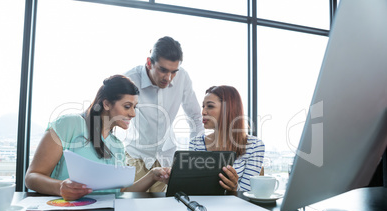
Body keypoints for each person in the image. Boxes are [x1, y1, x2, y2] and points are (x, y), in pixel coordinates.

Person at [25, 75, 170, 201]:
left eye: (134, 107)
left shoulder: (117, 145)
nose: (133, 114)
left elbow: (121, 193)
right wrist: (60, 187)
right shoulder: (70, 124)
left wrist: (152, 176)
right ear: (106, 104)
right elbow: (32, 177)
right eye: (127, 106)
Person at [124, 36, 204, 192]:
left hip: (166, 160)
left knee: (161, 210)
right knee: (132, 208)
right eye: (163, 70)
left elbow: (195, 118)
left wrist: (196, 158)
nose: (168, 77)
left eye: (173, 71)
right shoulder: (130, 79)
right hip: (136, 158)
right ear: (149, 62)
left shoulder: (183, 78)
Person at [189, 86, 265, 191]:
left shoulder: (255, 145)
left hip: (236, 207)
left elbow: (247, 194)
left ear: (228, 109)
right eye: (203, 107)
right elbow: (193, 187)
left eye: (210, 106)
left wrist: (234, 188)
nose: (203, 112)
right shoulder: (196, 143)